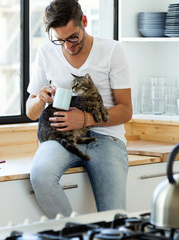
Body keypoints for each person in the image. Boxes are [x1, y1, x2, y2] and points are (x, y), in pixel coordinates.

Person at [26, 0, 132, 219]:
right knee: (40, 175)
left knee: (114, 219)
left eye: (73, 37)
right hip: (61, 137)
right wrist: (40, 100)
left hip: (107, 138)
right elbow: (30, 111)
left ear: (84, 21)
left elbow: (125, 111)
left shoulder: (112, 50)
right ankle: (77, 232)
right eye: (60, 40)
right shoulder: (46, 52)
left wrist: (86, 119)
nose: (68, 46)